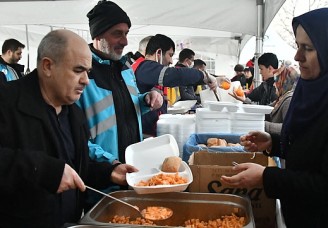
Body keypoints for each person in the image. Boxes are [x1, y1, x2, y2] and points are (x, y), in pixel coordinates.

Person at [221, 8, 328, 227]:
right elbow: (314, 147)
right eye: (298, 46)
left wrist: (266, 177)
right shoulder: (313, 89)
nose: (297, 56)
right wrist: (273, 143)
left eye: (308, 48)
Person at [0, 29, 136, 227]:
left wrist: (109, 172)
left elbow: (75, 166)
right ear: (47, 66)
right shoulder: (7, 102)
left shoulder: (74, 113)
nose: (86, 81)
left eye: (88, 72)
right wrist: (43, 170)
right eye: (78, 70)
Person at [77, 0, 163, 207]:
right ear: (98, 35)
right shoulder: (82, 73)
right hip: (101, 179)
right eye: (117, 33)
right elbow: (75, 136)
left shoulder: (124, 67)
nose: (125, 41)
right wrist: (111, 165)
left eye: (126, 33)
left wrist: (146, 100)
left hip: (131, 173)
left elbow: (121, 109)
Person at [133, 34, 226, 136]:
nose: (171, 61)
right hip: (145, 133)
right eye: (170, 55)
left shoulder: (147, 69)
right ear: (159, 53)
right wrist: (205, 76)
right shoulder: (145, 68)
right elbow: (176, 75)